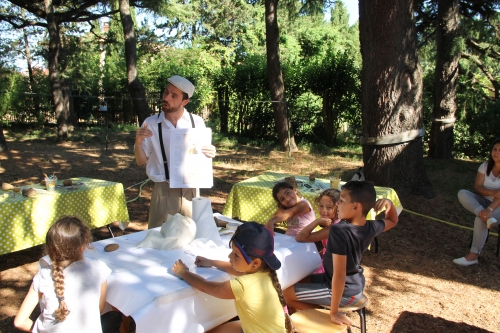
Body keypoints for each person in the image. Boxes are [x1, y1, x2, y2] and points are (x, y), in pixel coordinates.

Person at [283, 181, 398, 328]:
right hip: (350, 284)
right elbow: (393, 220)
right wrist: (389, 204)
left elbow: (340, 274)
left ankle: (327, 324)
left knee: (287, 294)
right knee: (298, 280)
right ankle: (313, 320)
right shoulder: (370, 226)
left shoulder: (339, 231)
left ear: (356, 206)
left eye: (342, 201)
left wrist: (334, 312)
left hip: (343, 291)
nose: (337, 204)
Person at [172, 222, 293, 333]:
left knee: (209, 329)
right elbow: (236, 269)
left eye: (236, 255)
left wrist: (183, 272)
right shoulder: (265, 272)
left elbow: (205, 286)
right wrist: (211, 262)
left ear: (256, 263)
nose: (230, 256)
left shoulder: (242, 285)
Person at [134, 75, 216, 229]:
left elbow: (202, 154)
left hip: (190, 190)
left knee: (190, 237)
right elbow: (140, 161)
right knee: (159, 238)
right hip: (163, 190)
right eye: (166, 92)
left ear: (184, 102)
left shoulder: (196, 122)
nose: (166, 98)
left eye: (173, 95)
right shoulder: (151, 123)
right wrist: (138, 143)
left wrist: (210, 152)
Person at [14, 217, 121, 333]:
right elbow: (99, 309)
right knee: (114, 317)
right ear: (83, 246)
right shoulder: (99, 269)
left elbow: (19, 322)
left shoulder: (43, 275)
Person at [454, 138, 500, 266]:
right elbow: (478, 188)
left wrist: (489, 210)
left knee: (481, 220)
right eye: (494, 149)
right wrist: (491, 193)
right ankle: (483, 214)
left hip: (498, 207)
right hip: (483, 201)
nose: (496, 152)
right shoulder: (485, 166)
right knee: (462, 193)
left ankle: (473, 255)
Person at [295, 188, 341, 274]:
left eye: (329, 207)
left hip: (330, 269)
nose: (324, 211)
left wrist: (317, 221)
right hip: (327, 261)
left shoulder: (334, 228)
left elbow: (300, 237)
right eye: (321, 206)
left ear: (338, 207)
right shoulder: (337, 222)